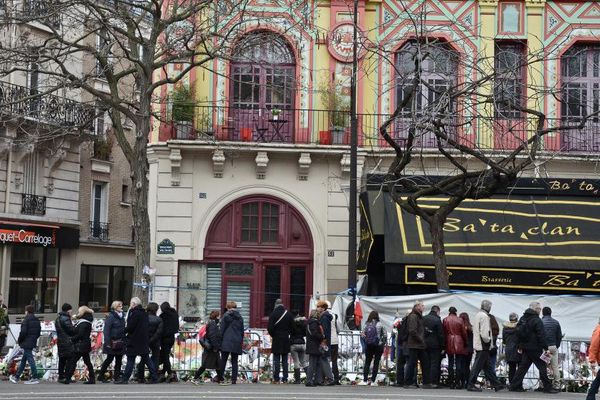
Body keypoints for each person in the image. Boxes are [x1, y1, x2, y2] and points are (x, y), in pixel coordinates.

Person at [509, 301, 559, 394]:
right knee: (542, 367)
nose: (540, 311)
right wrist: (545, 347)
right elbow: (541, 335)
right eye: (539, 309)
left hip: (525, 347)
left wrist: (520, 345)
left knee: (523, 367)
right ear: (535, 309)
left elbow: (518, 333)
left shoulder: (523, 318)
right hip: (535, 348)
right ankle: (548, 387)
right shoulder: (537, 320)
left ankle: (514, 385)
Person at [115, 297, 158, 384]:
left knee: (131, 359)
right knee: (147, 359)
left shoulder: (134, 313)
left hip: (134, 339)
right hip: (143, 340)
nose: (130, 305)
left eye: (131, 303)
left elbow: (131, 326)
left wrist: (123, 331)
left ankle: (125, 379)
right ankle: (154, 377)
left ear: (134, 304)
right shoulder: (144, 313)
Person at [467, 300, 504, 392]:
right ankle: (471, 384)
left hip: (479, 344)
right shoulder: (484, 316)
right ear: (488, 307)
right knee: (478, 366)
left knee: (487, 366)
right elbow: (484, 333)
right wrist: (488, 340)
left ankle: (496, 384)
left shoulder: (478, 315)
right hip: (483, 345)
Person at [9, 305, 41, 384]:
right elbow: (38, 332)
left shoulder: (26, 320)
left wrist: (19, 341)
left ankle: (35, 377)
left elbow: (23, 332)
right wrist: (34, 339)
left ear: (27, 311)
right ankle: (16, 376)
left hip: (26, 341)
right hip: (32, 341)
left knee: (30, 359)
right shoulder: (37, 320)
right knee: (24, 359)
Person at [98, 300, 126, 382]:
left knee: (119, 360)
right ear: (114, 307)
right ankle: (101, 375)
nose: (121, 307)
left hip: (120, 341)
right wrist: (107, 342)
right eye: (119, 306)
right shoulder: (111, 317)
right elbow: (106, 330)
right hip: (112, 342)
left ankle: (116, 377)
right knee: (109, 359)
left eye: (121, 305)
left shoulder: (122, 317)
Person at [192, 310, 223, 384]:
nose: (220, 317)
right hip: (212, 348)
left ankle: (221, 379)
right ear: (217, 316)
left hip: (212, 347)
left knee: (217, 364)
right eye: (219, 315)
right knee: (205, 365)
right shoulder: (213, 324)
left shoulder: (213, 323)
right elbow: (213, 337)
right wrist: (215, 347)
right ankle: (195, 378)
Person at [267, 299, 294, 384]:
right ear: (282, 304)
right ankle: (285, 378)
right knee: (285, 360)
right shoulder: (288, 314)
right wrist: (287, 333)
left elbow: (270, 328)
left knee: (276, 360)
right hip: (286, 338)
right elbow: (292, 327)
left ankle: (276, 378)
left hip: (276, 339)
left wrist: (273, 335)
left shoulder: (273, 314)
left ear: (275, 305)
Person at [67, 306, 95, 384]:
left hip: (81, 344)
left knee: (73, 361)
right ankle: (92, 378)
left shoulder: (83, 323)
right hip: (85, 344)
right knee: (87, 362)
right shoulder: (87, 321)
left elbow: (80, 334)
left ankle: (68, 378)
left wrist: (72, 339)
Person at [404, 300, 429, 388]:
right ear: (417, 306)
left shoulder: (418, 316)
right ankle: (408, 383)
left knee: (424, 363)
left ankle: (426, 382)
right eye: (422, 305)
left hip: (418, 344)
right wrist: (421, 340)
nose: (423, 307)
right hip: (415, 344)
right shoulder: (414, 316)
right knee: (412, 364)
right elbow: (412, 331)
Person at [136, 302, 163, 383]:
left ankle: (140, 377)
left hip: (144, 340)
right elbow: (159, 332)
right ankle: (153, 377)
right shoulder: (159, 319)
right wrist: (152, 340)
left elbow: (140, 330)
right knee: (155, 358)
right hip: (155, 341)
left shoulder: (143, 318)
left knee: (143, 358)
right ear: (156, 309)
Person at [219, 301, 244, 385]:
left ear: (228, 307)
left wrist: (220, 340)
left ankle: (220, 378)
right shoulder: (240, 317)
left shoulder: (225, 316)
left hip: (226, 340)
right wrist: (241, 339)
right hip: (236, 340)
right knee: (234, 361)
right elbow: (242, 330)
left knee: (223, 360)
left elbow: (222, 329)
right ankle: (234, 379)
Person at [443, 306, 467, 389]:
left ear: (449, 312)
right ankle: (457, 382)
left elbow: (444, 332)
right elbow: (464, 332)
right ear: (456, 312)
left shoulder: (445, 319)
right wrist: (466, 342)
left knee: (450, 362)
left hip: (449, 341)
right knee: (458, 363)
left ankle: (450, 382)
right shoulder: (460, 320)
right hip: (459, 341)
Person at [360, 310, 386, 385]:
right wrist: (382, 343)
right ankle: (373, 381)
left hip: (369, 345)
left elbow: (362, 334)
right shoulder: (380, 324)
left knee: (367, 363)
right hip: (378, 346)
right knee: (376, 363)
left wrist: (366, 341)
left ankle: (365, 380)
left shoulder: (366, 324)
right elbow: (384, 335)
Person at [423, 305, 444, 388]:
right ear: (437, 311)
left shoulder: (423, 318)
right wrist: (443, 346)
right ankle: (433, 382)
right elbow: (440, 335)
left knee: (426, 364)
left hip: (424, 344)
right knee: (434, 364)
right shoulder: (437, 320)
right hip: (435, 345)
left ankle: (426, 382)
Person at [542, 307, 563, 389]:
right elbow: (559, 336)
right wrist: (556, 346)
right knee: (555, 366)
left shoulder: (541, 322)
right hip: (553, 347)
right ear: (551, 313)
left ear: (543, 313)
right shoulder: (556, 322)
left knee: (543, 366)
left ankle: (543, 384)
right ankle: (557, 385)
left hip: (544, 348)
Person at [158, 301, 179, 383]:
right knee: (165, 355)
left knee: (165, 356)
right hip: (171, 338)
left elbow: (161, 328)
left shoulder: (163, 316)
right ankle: (163, 373)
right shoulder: (174, 314)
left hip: (164, 338)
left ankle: (170, 373)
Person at [56, 303, 76, 384]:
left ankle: (61, 376)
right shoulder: (66, 319)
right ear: (68, 310)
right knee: (70, 359)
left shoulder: (58, 318)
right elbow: (71, 330)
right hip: (67, 341)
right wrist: (75, 328)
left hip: (60, 341)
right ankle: (67, 376)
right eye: (71, 309)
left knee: (62, 360)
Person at [316, 300, 335, 385]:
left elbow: (324, 330)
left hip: (324, 342)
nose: (317, 308)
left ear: (323, 308)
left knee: (324, 360)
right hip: (325, 341)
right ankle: (320, 379)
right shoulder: (325, 316)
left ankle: (330, 378)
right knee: (322, 360)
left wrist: (323, 341)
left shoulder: (324, 317)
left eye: (319, 307)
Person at [304, 309, 323, 387]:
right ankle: (309, 380)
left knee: (318, 363)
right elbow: (314, 334)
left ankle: (317, 380)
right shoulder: (314, 323)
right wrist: (322, 336)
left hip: (313, 345)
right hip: (314, 345)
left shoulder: (311, 322)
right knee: (313, 363)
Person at [502, 312, 520, 386]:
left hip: (508, 349)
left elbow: (504, 340)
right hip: (517, 349)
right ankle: (518, 384)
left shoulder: (505, 328)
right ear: (516, 318)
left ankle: (511, 383)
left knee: (511, 368)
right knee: (519, 367)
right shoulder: (518, 327)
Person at [289, 310, 307, 384]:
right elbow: (305, 332)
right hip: (302, 343)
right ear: (298, 314)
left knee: (296, 362)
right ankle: (309, 378)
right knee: (304, 362)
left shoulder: (291, 323)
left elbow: (289, 331)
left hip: (294, 343)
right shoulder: (303, 322)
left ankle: (298, 380)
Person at [327, 301, 341, 385]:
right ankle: (336, 378)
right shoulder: (335, 315)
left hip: (327, 340)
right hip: (335, 340)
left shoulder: (323, 315)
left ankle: (328, 377)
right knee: (334, 360)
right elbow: (338, 328)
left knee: (325, 360)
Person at [586, 317, 600, 400]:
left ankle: (590, 396)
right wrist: (592, 360)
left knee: (598, 379)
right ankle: (590, 396)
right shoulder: (598, 330)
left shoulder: (598, 329)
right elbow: (594, 345)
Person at [459, 312, 474, 389]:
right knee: (467, 367)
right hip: (470, 349)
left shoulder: (461, 327)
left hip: (462, 349)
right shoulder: (470, 327)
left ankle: (462, 383)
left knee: (462, 366)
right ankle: (468, 382)